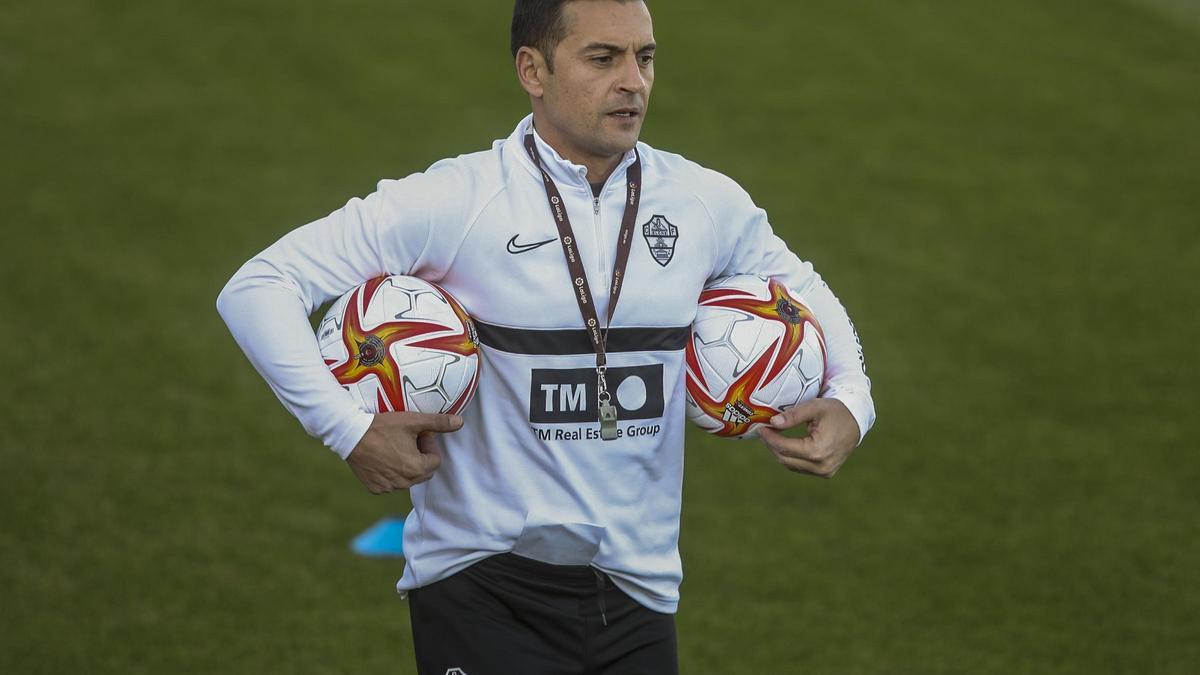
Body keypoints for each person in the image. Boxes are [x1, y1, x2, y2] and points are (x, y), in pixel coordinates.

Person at [216, 0, 875, 672]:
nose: (634, 81)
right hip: (480, 583)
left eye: (644, 58)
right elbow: (259, 285)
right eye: (603, 58)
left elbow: (805, 289)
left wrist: (853, 399)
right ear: (533, 69)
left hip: (639, 591)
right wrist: (347, 429)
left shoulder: (704, 204)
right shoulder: (459, 202)